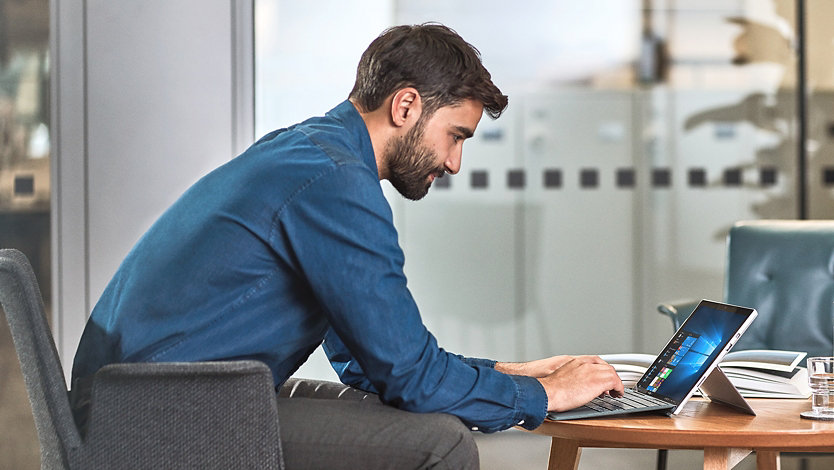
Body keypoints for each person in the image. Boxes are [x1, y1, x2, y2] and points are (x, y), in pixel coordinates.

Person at [70, 23, 623, 469]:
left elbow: (371, 362)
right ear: (406, 106)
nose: (454, 162)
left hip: (149, 401)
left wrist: (516, 374)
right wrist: (545, 397)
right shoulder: (333, 180)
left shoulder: (309, 154)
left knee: (414, 421)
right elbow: (410, 376)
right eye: (455, 135)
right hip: (158, 416)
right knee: (442, 446)